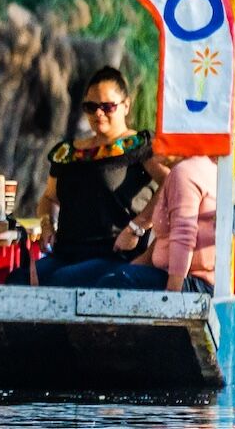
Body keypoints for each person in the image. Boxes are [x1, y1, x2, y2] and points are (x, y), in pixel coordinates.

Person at [29, 67, 164, 286]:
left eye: (108, 106)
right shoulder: (67, 152)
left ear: (126, 105)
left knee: (59, 282)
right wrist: (46, 224)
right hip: (66, 253)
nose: (98, 113)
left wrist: (138, 226)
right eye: (91, 107)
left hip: (114, 254)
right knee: (18, 279)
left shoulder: (139, 146)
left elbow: (170, 186)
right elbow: (49, 197)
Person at [59, 156, 218, 295]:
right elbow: (168, 238)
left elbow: (183, 236)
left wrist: (172, 297)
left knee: (111, 286)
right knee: (111, 278)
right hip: (187, 279)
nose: (154, 144)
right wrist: (127, 269)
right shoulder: (202, 167)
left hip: (193, 284)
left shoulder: (184, 172)